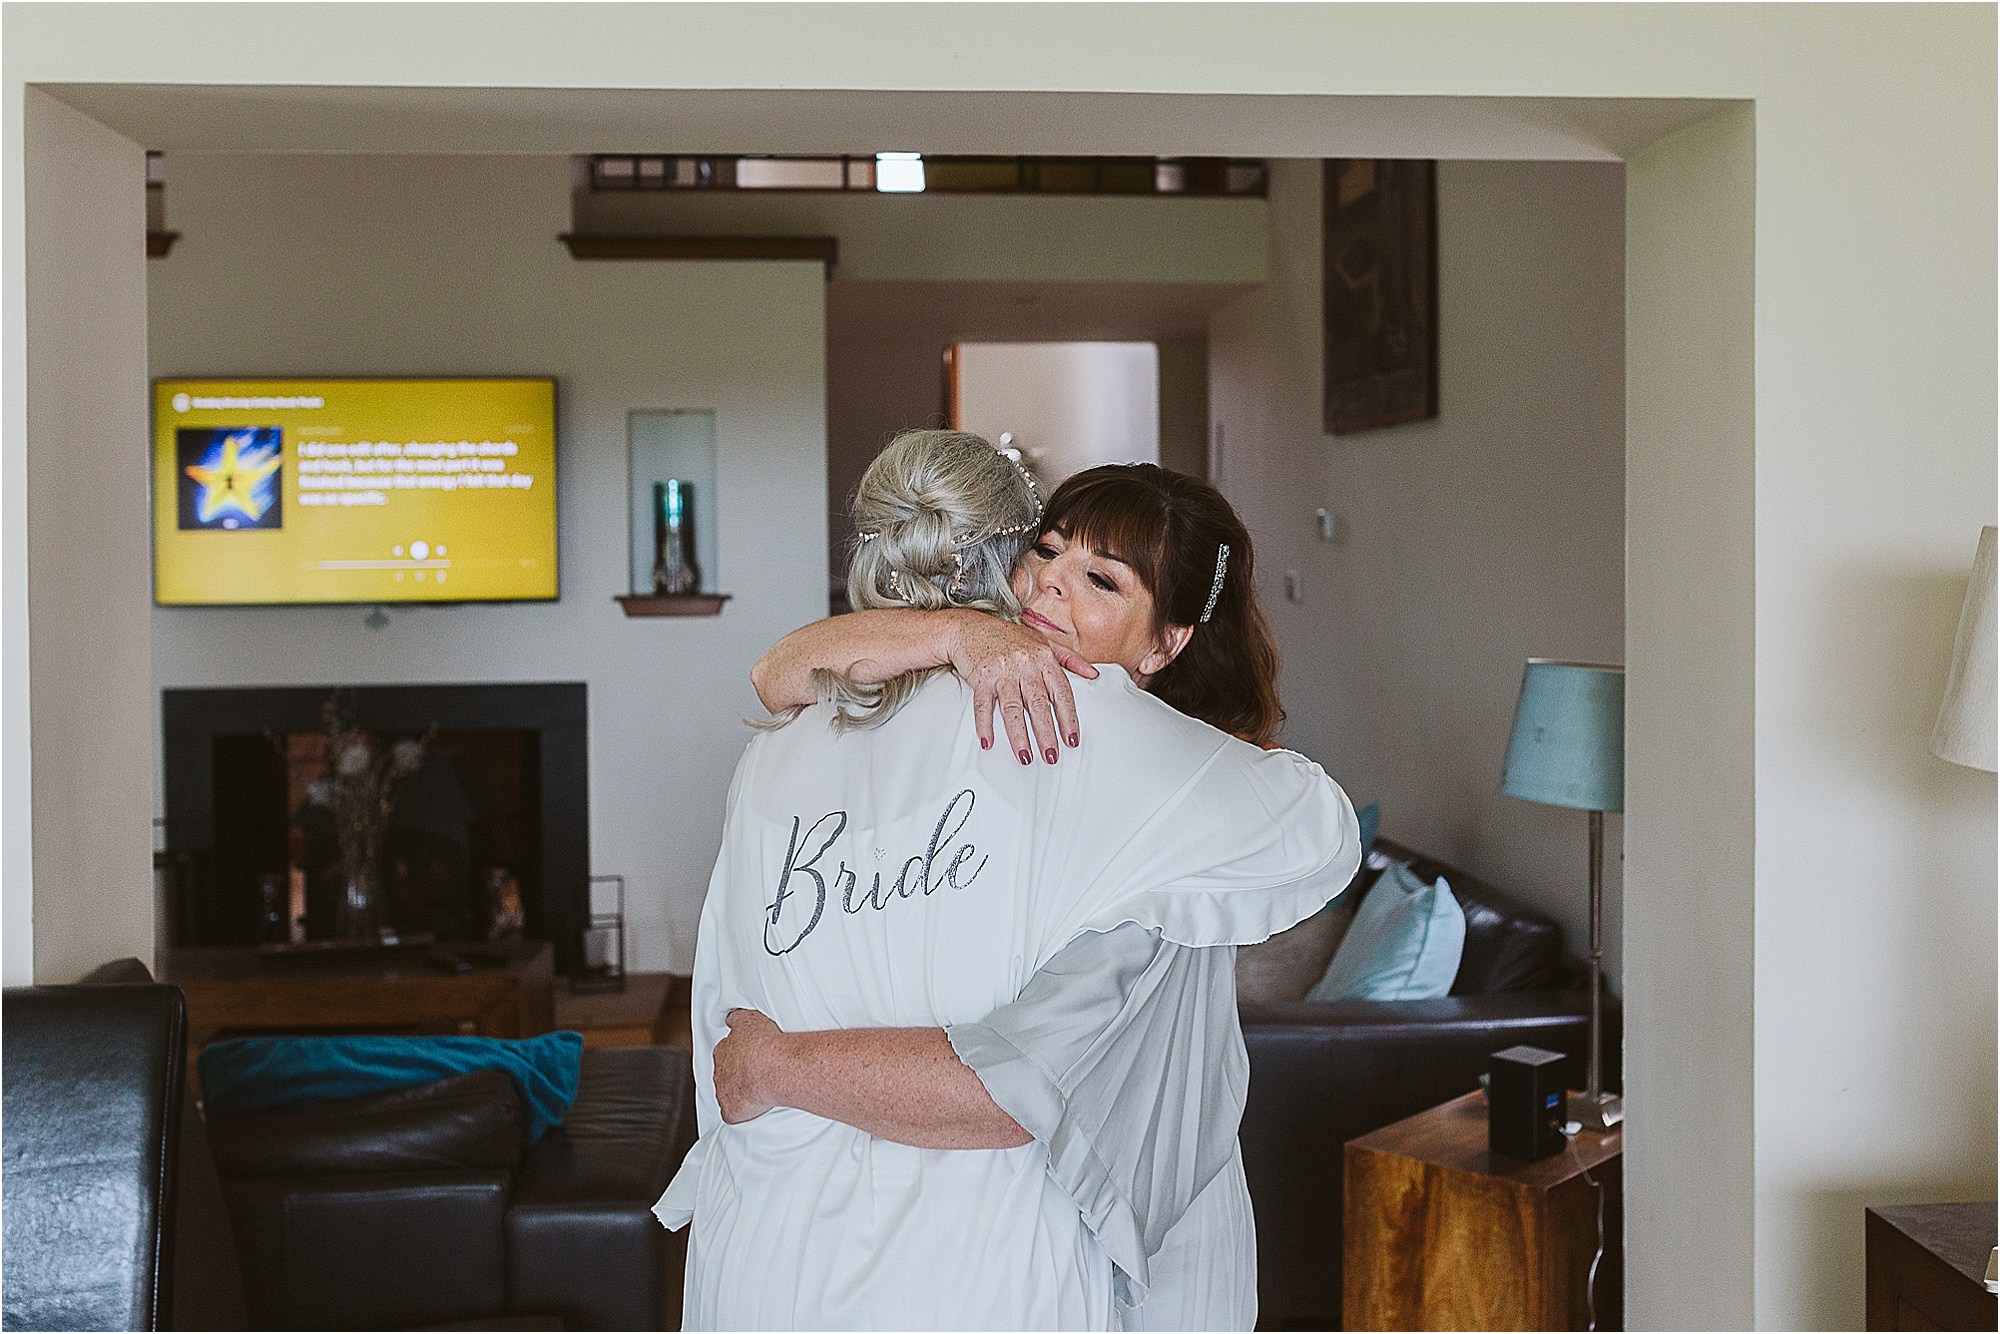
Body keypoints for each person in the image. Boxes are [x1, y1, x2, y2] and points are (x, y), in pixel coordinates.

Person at [654, 434, 1358, 1330]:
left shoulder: (1166, 786)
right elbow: (773, 671)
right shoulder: (979, 706)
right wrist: (954, 633)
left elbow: (1006, 1086)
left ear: (1170, 640)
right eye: (1048, 551)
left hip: (1148, 1240)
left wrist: (768, 1063)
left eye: (1103, 580)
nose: (1050, 587)